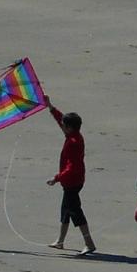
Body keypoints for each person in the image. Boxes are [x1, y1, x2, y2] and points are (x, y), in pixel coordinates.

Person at [45, 96, 96, 256]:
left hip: (73, 181)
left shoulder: (74, 141)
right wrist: (51, 107)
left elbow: (72, 167)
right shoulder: (73, 135)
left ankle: (89, 243)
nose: (62, 126)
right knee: (66, 210)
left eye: (64, 126)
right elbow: (61, 120)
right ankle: (60, 241)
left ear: (70, 128)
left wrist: (56, 178)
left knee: (75, 212)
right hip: (72, 181)